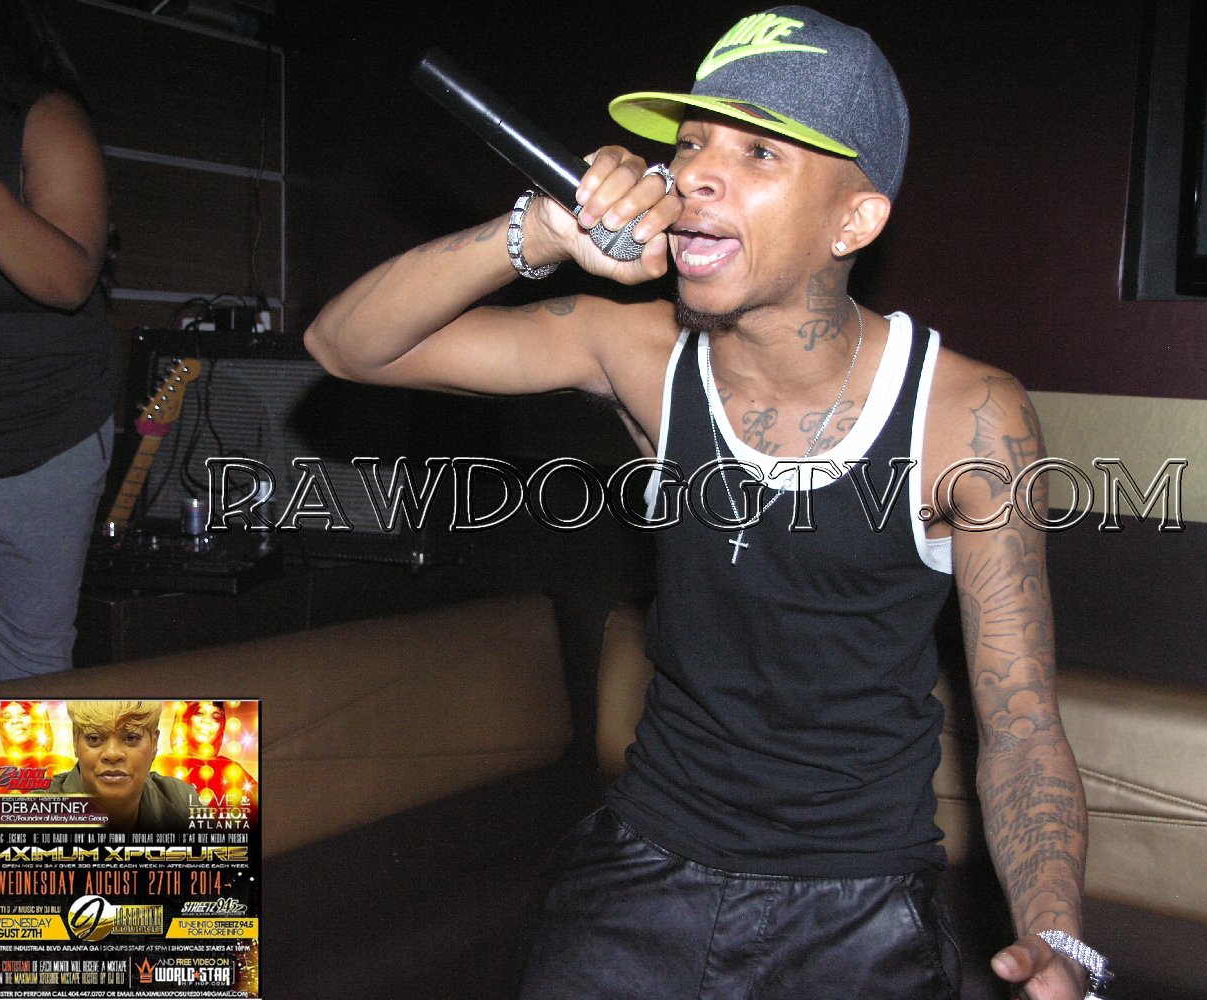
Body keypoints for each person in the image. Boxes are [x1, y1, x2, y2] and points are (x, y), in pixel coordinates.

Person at [304, 8, 1102, 999]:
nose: (695, 177)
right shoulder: (640, 353)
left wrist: (1057, 934)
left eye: (758, 152)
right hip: (641, 866)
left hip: (857, 902)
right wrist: (536, 233)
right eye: (689, 144)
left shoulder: (968, 416)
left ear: (853, 221)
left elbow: (1021, 726)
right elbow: (344, 347)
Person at [0, 0, 119, 683]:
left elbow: (68, 280)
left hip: (43, 431)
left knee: (27, 662)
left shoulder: (43, 116)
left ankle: (29, 770)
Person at [47, 700, 199, 833]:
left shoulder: (182, 801)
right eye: (94, 738)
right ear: (75, 741)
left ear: (154, 743)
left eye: (131, 737)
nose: (112, 754)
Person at [154, 700, 258, 812]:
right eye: (199, 713)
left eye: (215, 718)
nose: (207, 721)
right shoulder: (162, 765)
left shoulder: (231, 769)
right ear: (186, 717)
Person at [0, 699, 75, 793]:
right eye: (7, 717)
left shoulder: (62, 764)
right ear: (2, 726)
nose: (16, 721)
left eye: (24, 714)